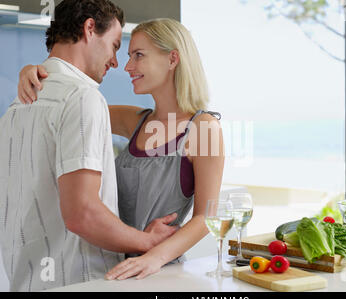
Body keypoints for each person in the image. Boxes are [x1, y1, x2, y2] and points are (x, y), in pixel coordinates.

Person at [18, 18, 225, 281]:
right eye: (128, 56)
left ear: (173, 59)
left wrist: (155, 257)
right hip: (106, 267)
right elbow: (68, 108)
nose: (127, 66)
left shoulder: (204, 128)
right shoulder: (134, 120)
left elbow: (207, 216)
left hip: (158, 272)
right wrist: (33, 72)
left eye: (138, 56)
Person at [0, 0, 177, 292]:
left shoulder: (18, 105)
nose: (116, 62)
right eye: (115, 46)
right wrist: (149, 241)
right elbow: (82, 213)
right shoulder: (82, 97)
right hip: (80, 283)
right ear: (90, 28)